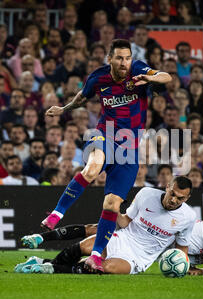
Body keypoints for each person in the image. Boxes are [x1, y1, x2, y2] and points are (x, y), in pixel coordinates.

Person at [41, 39, 172, 272]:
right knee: (92, 168)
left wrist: (150, 78)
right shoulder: (98, 78)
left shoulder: (139, 70)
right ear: (109, 59)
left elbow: (166, 77)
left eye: (127, 58)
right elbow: (82, 96)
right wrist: (63, 109)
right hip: (105, 134)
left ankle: (95, 256)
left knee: (112, 204)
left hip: (129, 148)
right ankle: (56, 214)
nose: (124, 63)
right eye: (119, 58)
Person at [16, 177, 197, 275]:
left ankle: (48, 267)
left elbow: (182, 249)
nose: (173, 200)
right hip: (124, 237)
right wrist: (114, 209)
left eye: (180, 198)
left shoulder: (188, 217)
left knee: (106, 267)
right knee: (86, 245)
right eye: (172, 193)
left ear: (187, 199)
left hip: (140, 258)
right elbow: (126, 221)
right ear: (167, 187)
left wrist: (185, 266)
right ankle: (44, 263)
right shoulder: (147, 194)